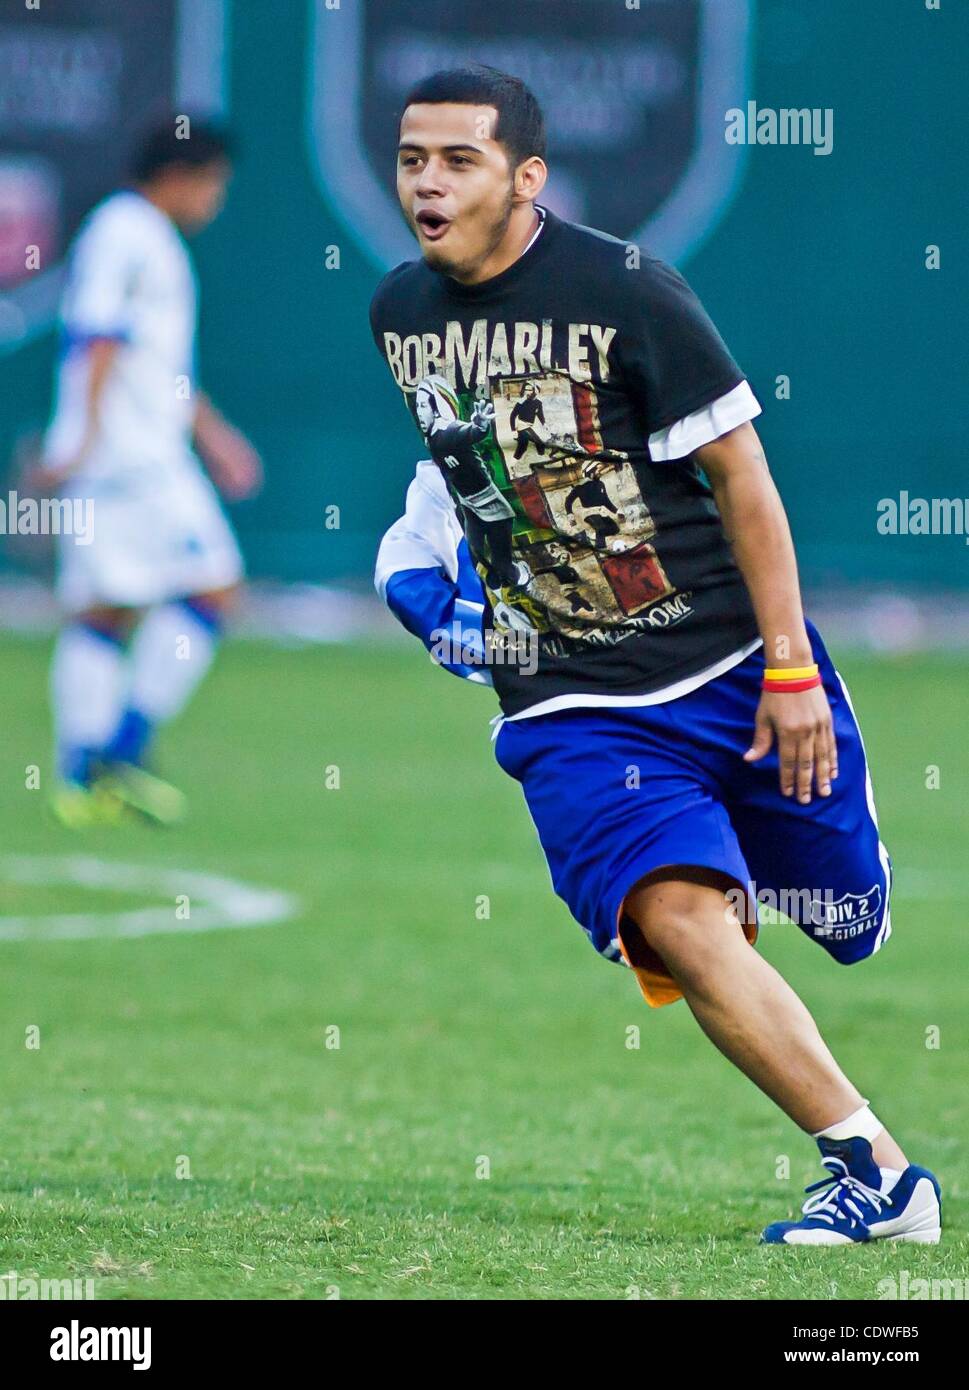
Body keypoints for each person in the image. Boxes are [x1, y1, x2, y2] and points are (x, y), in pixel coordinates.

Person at [370, 66, 942, 1245]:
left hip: (728, 665)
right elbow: (458, 472)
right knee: (675, 911)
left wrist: (789, 671)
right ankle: (876, 1170)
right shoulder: (399, 315)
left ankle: (770, 868)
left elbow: (744, 480)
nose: (428, 182)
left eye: (459, 160)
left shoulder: (626, 291)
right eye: (413, 158)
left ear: (526, 177)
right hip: (572, 706)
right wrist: (435, 599)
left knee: (844, 917)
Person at [37, 117, 261, 827]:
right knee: (215, 589)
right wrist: (80, 439)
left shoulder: (138, 234)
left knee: (105, 609)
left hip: (126, 453)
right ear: (181, 175)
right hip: (132, 460)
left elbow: (150, 362)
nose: (215, 201)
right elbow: (96, 338)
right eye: (215, 184)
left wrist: (214, 435)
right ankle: (121, 751)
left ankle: (82, 774)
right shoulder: (126, 232)